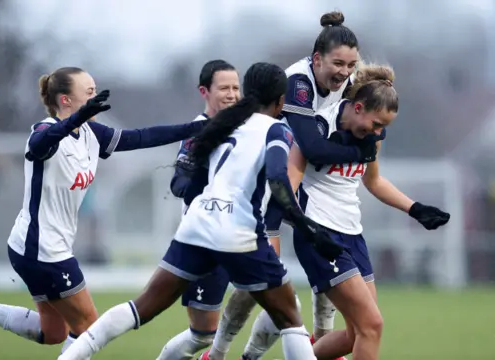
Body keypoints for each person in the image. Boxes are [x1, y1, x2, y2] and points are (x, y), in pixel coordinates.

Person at [57, 62, 343, 360]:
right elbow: (277, 177)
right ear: (281, 101)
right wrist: (308, 228)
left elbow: (190, 178)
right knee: (290, 319)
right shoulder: (277, 129)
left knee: (142, 308)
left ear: (246, 91)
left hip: (195, 228)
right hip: (238, 234)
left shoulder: (224, 123)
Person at [0, 67, 207, 357]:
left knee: (54, 332)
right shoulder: (45, 131)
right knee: (88, 327)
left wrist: (194, 129)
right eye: (89, 93)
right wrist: (78, 118)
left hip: (39, 248)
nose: (95, 98)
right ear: (65, 100)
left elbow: (139, 137)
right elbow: (39, 145)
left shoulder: (89, 134)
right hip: (42, 250)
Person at [200, 10, 374, 360]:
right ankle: (216, 354)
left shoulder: (346, 82)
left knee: (329, 274)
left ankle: (312, 347)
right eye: (337, 63)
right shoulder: (297, 83)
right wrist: (361, 149)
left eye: (351, 64)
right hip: (267, 188)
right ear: (317, 59)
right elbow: (311, 146)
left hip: (303, 189)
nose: (344, 72)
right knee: (260, 283)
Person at [249, 62, 450, 360]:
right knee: (372, 324)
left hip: (352, 235)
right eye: (377, 124)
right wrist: (307, 229)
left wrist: (415, 209)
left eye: (384, 128)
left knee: (356, 333)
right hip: (320, 235)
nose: (379, 133)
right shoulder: (317, 130)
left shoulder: (371, 140)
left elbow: (374, 181)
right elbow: (286, 188)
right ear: (358, 108)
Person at [158, 59, 241, 360]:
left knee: (284, 308)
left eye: (236, 87)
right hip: (205, 242)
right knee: (203, 333)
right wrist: (202, 187)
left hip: (240, 239)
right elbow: (179, 184)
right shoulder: (197, 132)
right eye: (224, 88)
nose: (232, 94)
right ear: (204, 91)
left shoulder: (247, 128)